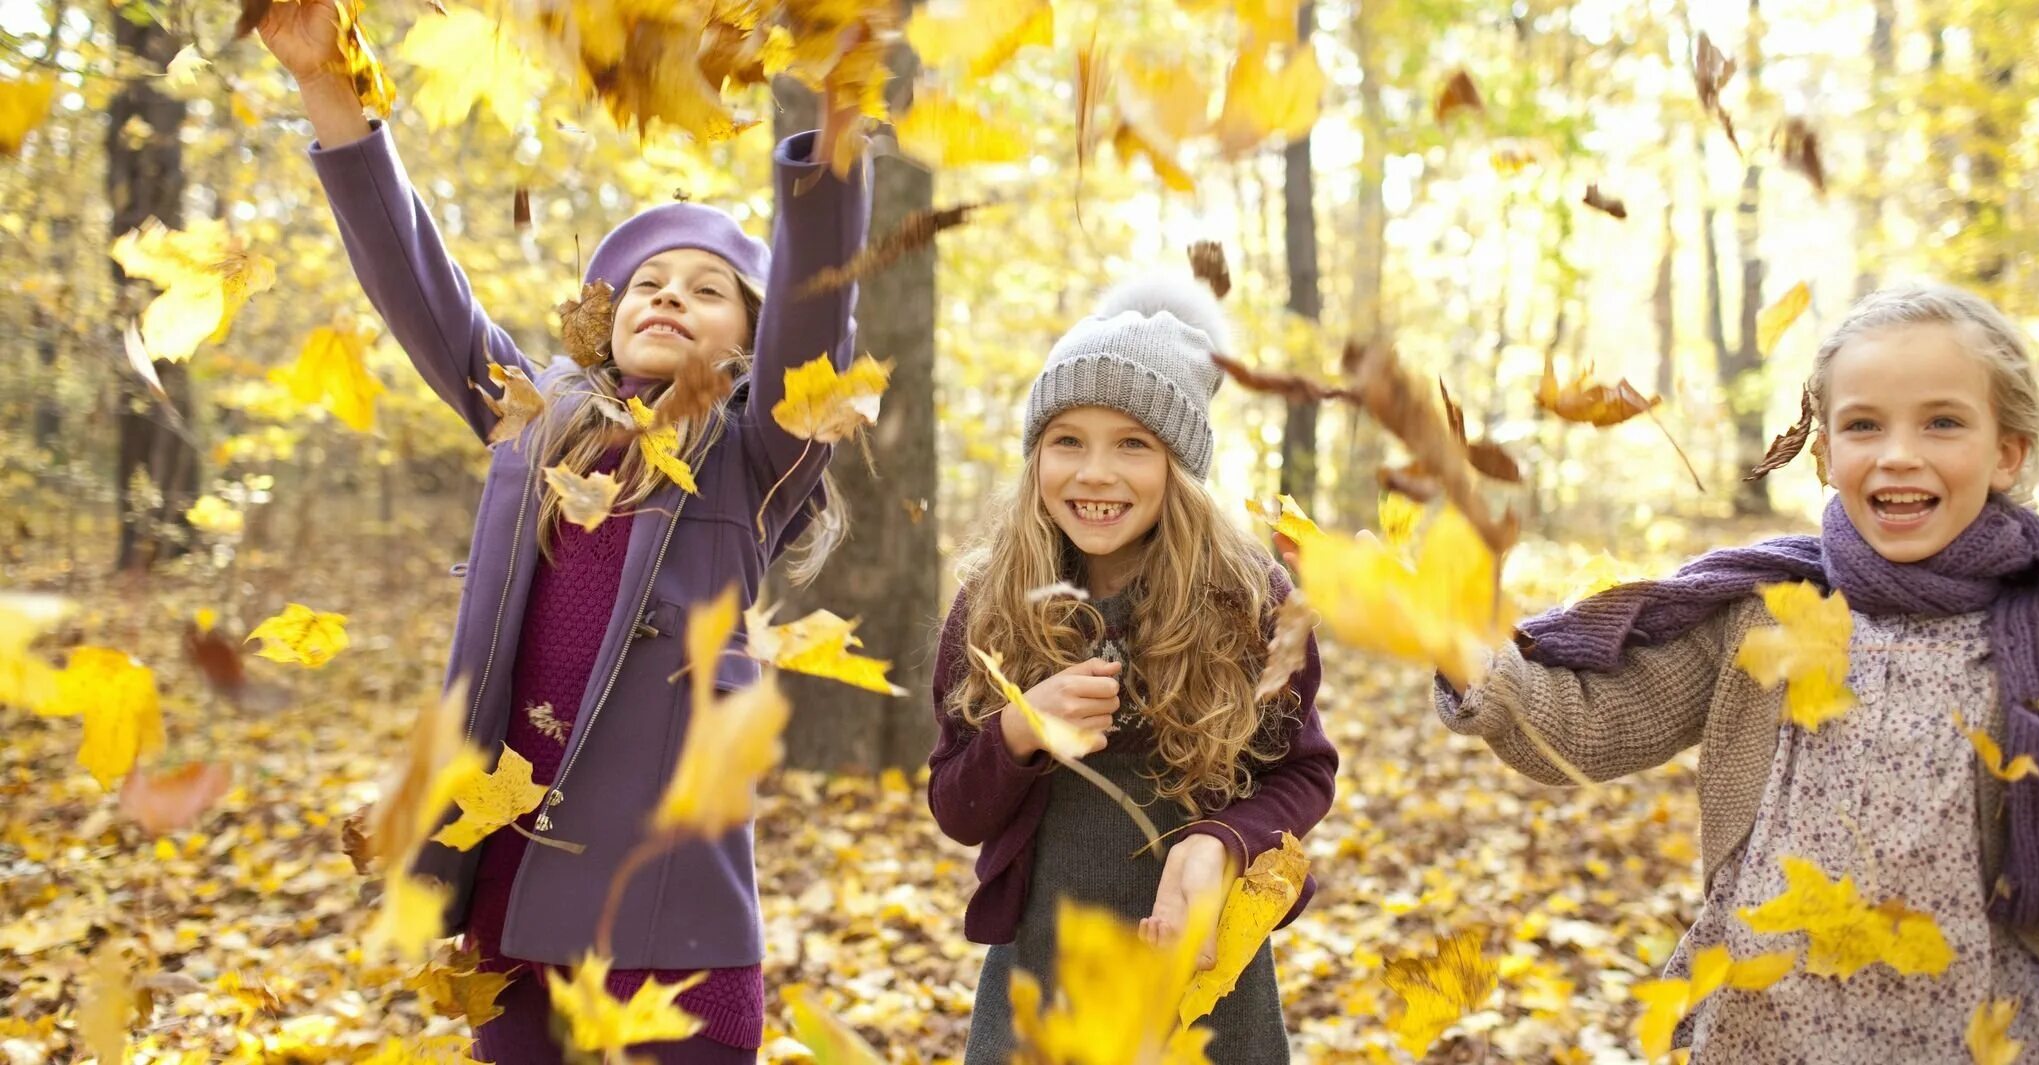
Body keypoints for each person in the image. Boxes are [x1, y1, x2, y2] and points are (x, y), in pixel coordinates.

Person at [258, 3, 872, 1058]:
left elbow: (818, 308)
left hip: (669, 919)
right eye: (647, 285)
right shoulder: (533, 419)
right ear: (604, 319)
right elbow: (416, 282)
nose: (671, 296)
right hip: (510, 884)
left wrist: (836, 107)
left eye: (709, 290)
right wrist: (328, 84)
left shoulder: (757, 455)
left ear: (753, 338)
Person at [1436, 282, 2039, 1062]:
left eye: (1942, 421)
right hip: (1766, 1026)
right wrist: (1475, 664)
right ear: (1824, 452)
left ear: (2006, 452)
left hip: (1966, 1030)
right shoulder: (1767, 608)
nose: (1898, 452)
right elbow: (1595, 724)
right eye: (1863, 425)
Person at [926, 273, 1339, 1063]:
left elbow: (1302, 774)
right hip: (1044, 978)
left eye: (1132, 444)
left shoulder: (1250, 598)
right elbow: (956, 805)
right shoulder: (994, 601)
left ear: (1178, 464)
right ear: (1035, 454)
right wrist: (1016, 729)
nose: (1094, 472)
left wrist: (1222, 842)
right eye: (1067, 440)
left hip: (1198, 978)